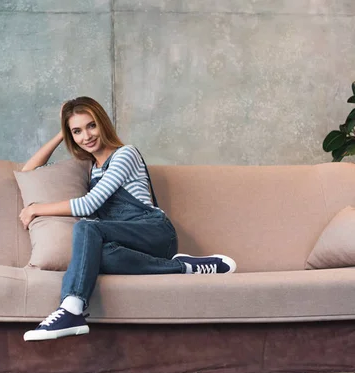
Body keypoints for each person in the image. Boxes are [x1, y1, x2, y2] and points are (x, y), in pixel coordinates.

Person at [19, 97, 236, 342]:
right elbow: (29, 172)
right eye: (77, 131)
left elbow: (89, 204)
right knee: (96, 256)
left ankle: (71, 309)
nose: (86, 136)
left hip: (154, 233)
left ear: (103, 123)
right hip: (126, 243)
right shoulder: (89, 166)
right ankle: (184, 267)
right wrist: (62, 132)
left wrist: (37, 209)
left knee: (87, 228)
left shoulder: (125, 155)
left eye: (91, 126)